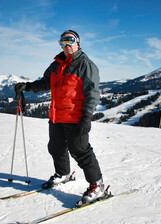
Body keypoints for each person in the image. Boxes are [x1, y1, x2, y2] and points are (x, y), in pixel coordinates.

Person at [14, 30, 104, 205]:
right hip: (56, 115)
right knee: (55, 147)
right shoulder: (56, 65)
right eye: (63, 42)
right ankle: (63, 174)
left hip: (75, 117)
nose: (67, 45)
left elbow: (92, 92)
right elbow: (45, 83)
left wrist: (87, 116)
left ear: (78, 42)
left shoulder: (85, 65)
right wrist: (27, 86)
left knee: (80, 151)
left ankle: (97, 185)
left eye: (70, 40)